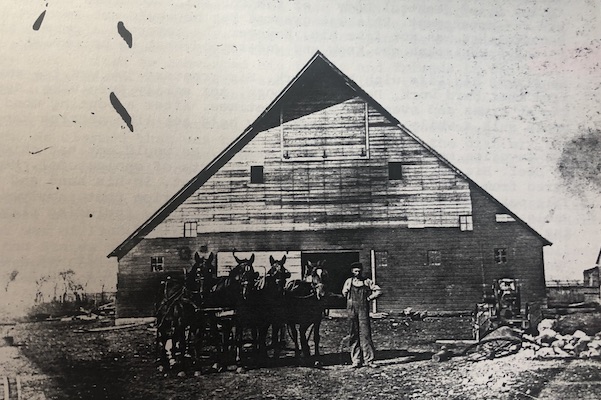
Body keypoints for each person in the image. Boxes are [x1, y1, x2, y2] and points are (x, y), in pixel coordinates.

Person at [341, 261, 382, 368]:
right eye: (355, 271)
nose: (357, 273)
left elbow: (378, 291)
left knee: (365, 334)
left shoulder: (367, 281)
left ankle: (369, 360)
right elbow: (344, 293)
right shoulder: (349, 282)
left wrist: (369, 298)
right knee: (353, 335)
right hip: (352, 310)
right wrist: (350, 301)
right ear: (352, 271)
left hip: (363, 310)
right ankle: (356, 360)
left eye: (359, 271)